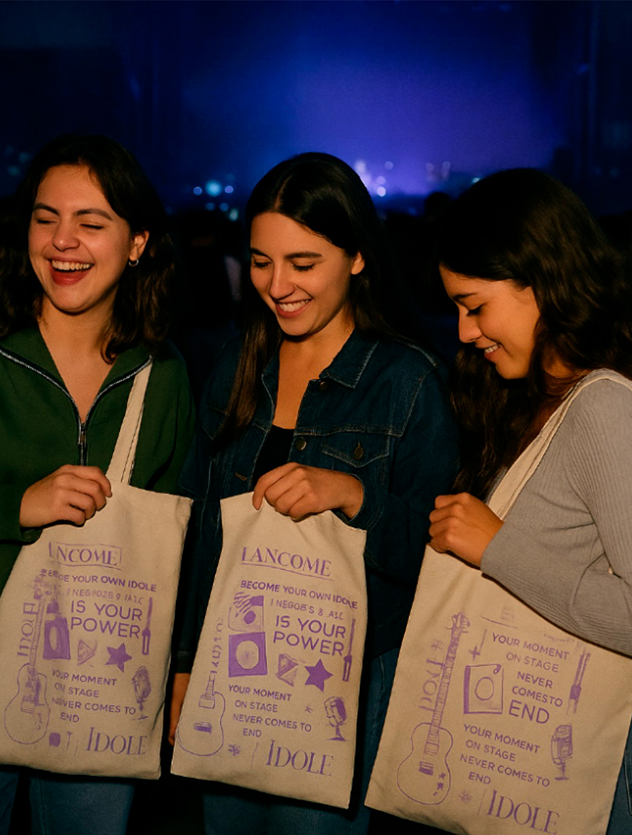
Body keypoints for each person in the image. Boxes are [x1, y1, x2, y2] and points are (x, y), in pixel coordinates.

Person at [170, 152, 458, 834]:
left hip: (345, 692)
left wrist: (357, 495)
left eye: (304, 263)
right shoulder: (239, 365)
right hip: (232, 673)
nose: (277, 285)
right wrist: (183, 666)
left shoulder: (407, 380)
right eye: (262, 262)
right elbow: (199, 536)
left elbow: (442, 559)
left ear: (357, 257)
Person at [428, 167, 632, 834]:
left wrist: (498, 545)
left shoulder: (603, 407)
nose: (464, 332)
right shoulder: (530, 398)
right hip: (526, 756)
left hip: (592, 776)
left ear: (539, 283)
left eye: (475, 306)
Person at [0, 134, 194, 835]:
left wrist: (177, 667)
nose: (62, 242)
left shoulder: (161, 374)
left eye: (91, 221)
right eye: (45, 217)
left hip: (102, 675)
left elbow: (181, 538)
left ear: (137, 241)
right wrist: (18, 504)